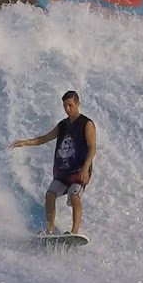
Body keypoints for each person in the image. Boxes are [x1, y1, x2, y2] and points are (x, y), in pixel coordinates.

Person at [9, 90, 97, 235]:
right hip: (62, 171)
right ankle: (49, 230)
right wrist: (25, 142)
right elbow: (44, 138)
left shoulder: (86, 124)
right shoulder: (63, 125)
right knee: (50, 195)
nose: (67, 109)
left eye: (70, 105)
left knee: (74, 197)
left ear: (77, 104)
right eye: (65, 106)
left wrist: (85, 169)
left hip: (79, 171)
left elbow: (92, 147)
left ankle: (74, 232)